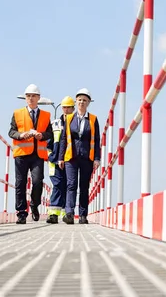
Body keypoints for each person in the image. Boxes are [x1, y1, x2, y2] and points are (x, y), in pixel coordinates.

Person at [8, 84, 53, 224]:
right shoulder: (17, 113)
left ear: (39, 98)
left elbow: (49, 133)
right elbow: (11, 132)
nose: (31, 98)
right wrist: (21, 135)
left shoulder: (46, 115)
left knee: (38, 181)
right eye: (28, 96)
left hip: (37, 155)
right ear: (25, 98)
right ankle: (21, 213)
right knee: (20, 183)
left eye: (34, 96)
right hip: (21, 153)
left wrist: (42, 136)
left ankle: (34, 205)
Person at [58, 88, 101, 224]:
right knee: (71, 184)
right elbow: (63, 138)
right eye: (79, 100)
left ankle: (83, 215)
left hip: (87, 157)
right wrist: (60, 157)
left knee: (84, 186)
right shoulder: (69, 118)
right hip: (71, 157)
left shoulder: (93, 119)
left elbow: (97, 139)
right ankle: (69, 213)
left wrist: (97, 158)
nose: (82, 102)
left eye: (85, 100)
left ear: (88, 103)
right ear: (76, 102)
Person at [46, 96, 75, 224]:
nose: (66, 109)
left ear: (73, 108)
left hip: (69, 160)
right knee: (57, 185)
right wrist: (53, 157)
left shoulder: (76, 123)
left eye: (69, 107)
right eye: (64, 107)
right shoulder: (55, 124)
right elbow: (49, 143)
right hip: (55, 161)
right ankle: (53, 214)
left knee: (68, 186)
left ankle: (65, 213)